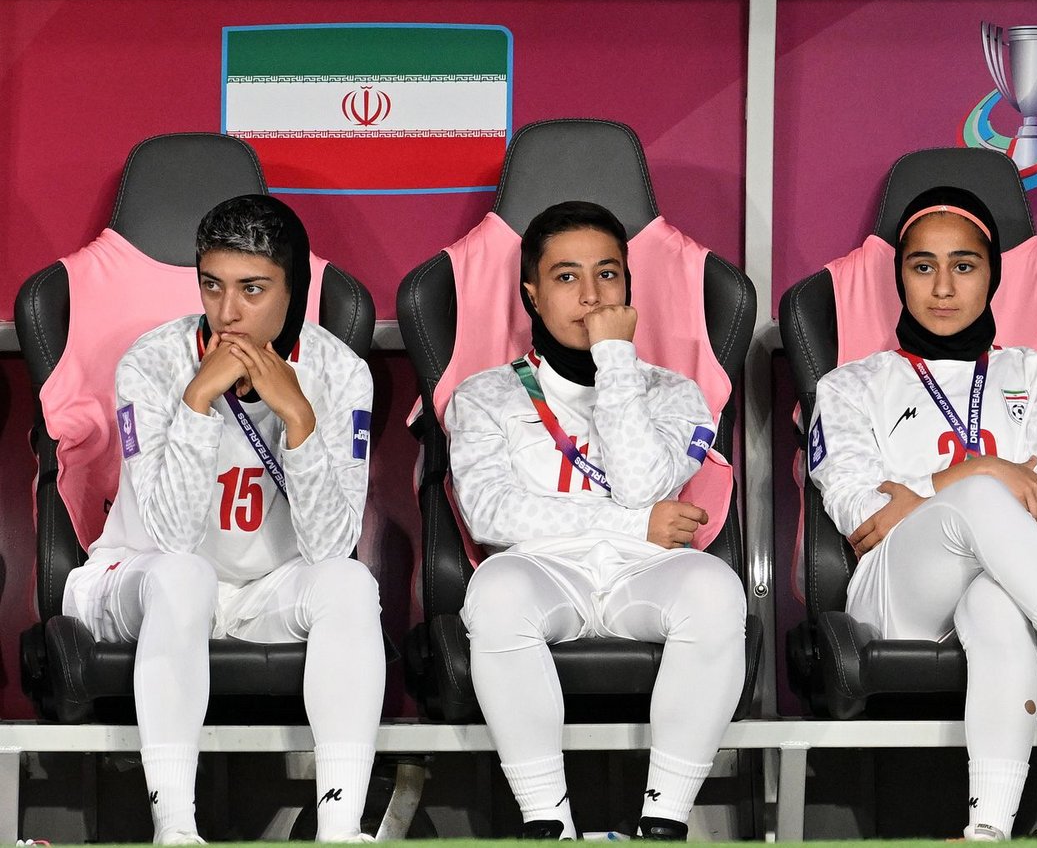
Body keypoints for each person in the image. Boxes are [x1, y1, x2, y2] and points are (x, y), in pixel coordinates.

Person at [806, 186, 1037, 841]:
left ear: (993, 275)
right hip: (899, 589)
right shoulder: (849, 386)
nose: (943, 286)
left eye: (964, 264)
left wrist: (916, 493)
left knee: (996, 598)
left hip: (1019, 580)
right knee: (982, 500)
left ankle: (988, 829)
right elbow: (859, 511)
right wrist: (983, 471)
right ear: (900, 277)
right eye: (923, 266)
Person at [64, 195, 384, 844]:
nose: (228, 311)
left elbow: (330, 544)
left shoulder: (340, 372)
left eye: (253, 289)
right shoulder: (152, 363)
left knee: (350, 584)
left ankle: (341, 827)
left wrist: (299, 421)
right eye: (212, 286)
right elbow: (171, 535)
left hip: (265, 587)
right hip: (139, 577)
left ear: (294, 291)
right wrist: (197, 401)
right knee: (184, 574)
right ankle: (175, 828)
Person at [446, 200, 746, 841]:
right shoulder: (485, 395)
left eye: (607, 275)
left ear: (630, 288)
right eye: (565, 277)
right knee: (495, 590)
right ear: (531, 293)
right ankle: (546, 824)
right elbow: (492, 514)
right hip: (545, 572)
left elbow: (641, 482)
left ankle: (664, 821)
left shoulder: (676, 394)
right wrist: (630, 526)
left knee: (715, 589)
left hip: (646, 576)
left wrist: (616, 359)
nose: (589, 295)